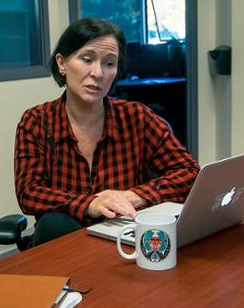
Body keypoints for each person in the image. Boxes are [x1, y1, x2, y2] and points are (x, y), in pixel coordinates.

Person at [14, 18, 199, 246]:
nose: (98, 72)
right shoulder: (37, 121)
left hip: (125, 238)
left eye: (109, 63)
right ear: (62, 63)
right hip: (65, 241)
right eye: (87, 59)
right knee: (52, 223)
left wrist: (134, 196)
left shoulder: (137, 117)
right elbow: (29, 192)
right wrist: (89, 204)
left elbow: (189, 173)